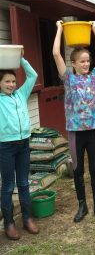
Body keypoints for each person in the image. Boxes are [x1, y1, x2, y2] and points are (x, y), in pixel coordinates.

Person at [53, 20, 95, 222]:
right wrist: (59, 29)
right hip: (76, 132)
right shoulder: (68, 79)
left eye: (87, 61)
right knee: (78, 170)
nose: (86, 64)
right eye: (82, 61)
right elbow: (56, 54)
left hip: (94, 131)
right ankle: (82, 206)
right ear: (73, 64)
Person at [0, 49, 39, 240]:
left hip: (24, 143)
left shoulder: (21, 95)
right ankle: (8, 223)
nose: (11, 84)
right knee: (8, 186)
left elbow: (33, 75)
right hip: (5, 147)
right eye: (7, 81)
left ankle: (27, 218)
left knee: (24, 183)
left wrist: (21, 58)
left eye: (13, 81)